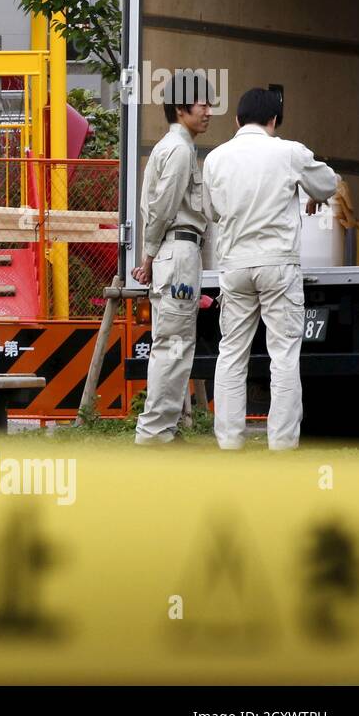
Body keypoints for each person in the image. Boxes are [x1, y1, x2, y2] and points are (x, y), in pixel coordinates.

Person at [203, 87, 338, 451]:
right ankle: (282, 444)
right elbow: (328, 182)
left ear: (236, 120)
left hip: (234, 266)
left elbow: (211, 211)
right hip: (278, 265)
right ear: (273, 121)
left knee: (231, 352)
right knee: (283, 354)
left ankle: (229, 442)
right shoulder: (288, 152)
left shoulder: (215, 158)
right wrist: (313, 196)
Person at [131, 74, 213, 446]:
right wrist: (147, 256)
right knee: (174, 346)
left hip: (174, 252)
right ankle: (155, 433)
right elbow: (163, 209)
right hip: (177, 252)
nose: (208, 112)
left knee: (172, 343)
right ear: (181, 109)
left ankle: (162, 430)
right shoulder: (180, 150)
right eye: (202, 105)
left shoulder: (171, 147)